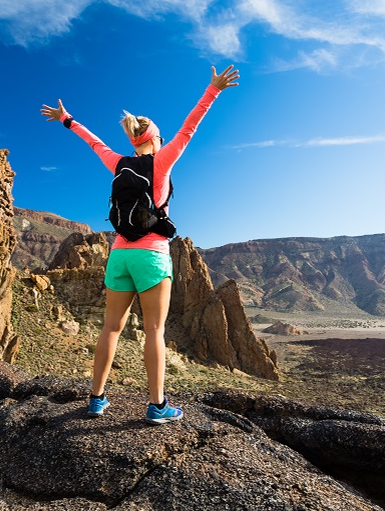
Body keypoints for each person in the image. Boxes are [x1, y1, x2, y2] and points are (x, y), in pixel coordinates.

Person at [40, 65, 240, 424]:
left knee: (111, 328)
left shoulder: (118, 163)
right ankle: (157, 406)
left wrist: (66, 118)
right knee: (154, 330)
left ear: (134, 140)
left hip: (118, 254)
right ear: (156, 139)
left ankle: (97, 399)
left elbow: (94, 142)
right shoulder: (162, 162)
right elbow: (190, 128)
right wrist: (213, 90)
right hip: (151, 255)